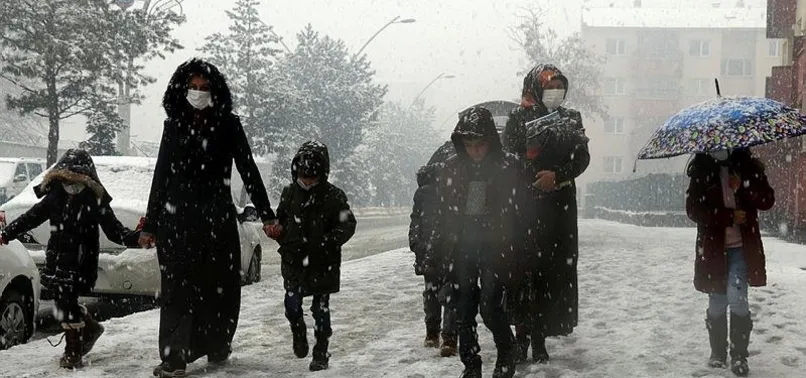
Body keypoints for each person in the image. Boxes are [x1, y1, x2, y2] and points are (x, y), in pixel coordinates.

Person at [139, 58, 276, 378]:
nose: (198, 93)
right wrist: (152, 223)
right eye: (193, 87)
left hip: (216, 220)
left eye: (204, 88)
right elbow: (161, 175)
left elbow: (248, 170)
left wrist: (267, 214)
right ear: (182, 90)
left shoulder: (228, 124)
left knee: (220, 288)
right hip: (178, 222)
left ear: (216, 92)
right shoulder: (173, 125)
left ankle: (217, 343)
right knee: (177, 291)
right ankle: (174, 358)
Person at [0, 149, 140, 369]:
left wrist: (137, 238)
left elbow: (115, 231)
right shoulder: (56, 195)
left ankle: (73, 350)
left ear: (87, 179)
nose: (71, 185)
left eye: (76, 181)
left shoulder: (93, 199)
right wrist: (6, 234)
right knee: (63, 301)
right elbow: (32, 217)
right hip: (58, 260)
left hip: (82, 261)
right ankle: (89, 329)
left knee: (67, 302)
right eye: (66, 180)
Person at [427, 107, 528, 378]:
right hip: (463, 247)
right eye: (469, 145)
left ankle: (506, 353)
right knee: (464, 309)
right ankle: (471, 366)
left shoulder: (509, 166)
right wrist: (435, 252)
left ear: (490, 141)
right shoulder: (453, 168)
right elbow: (443, 213)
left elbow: (521, 213)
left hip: (497, 247)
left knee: (490, 306)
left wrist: (519, 249)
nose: (475, 151)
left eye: (479, 144)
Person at [502, 64, 590, 364]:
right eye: (549, 86)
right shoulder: (518, 118)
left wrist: (559, 175)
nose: (555, 93)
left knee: (550, 274)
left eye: (559, 86)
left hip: (558, 210)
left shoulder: (570, 119)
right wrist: (533, 177)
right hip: (524, 208)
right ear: (535, 88)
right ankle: (521, 336)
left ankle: (540, 337)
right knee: (523, 273)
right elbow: (508, 160)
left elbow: (582, 157)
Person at [267, 141, 357, 372]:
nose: (306, 181)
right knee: (291, 304)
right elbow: (282, 221)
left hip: (322, 262)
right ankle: (298, 330)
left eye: (312, 177)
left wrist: (327, 242)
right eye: (302, 176)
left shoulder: (334, 196)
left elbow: (347, 225)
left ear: (322, 173)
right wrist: (278, 232)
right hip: (293, 260)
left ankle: (321, 352)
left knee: (321, 309)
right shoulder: (289, 193)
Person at [685, 148, 774, 377]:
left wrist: (744, 185)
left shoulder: (748, 167)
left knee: (737, 298)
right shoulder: (702, 170)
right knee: (717, 302)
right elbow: (693, 209)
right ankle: (717, 353)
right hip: (714, 250)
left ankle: (739, 355)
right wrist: (727, 217)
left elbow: (767, 200)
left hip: (742, 248)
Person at [408, 140, 458, 357]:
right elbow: (417, 220)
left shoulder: (426, 192)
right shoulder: (439, 192)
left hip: (437, 249)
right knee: (445, 294)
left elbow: (415, 221)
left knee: (437, 293)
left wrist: (416, 241)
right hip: (437, 249)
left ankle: (439, 335)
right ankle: (443, 336)